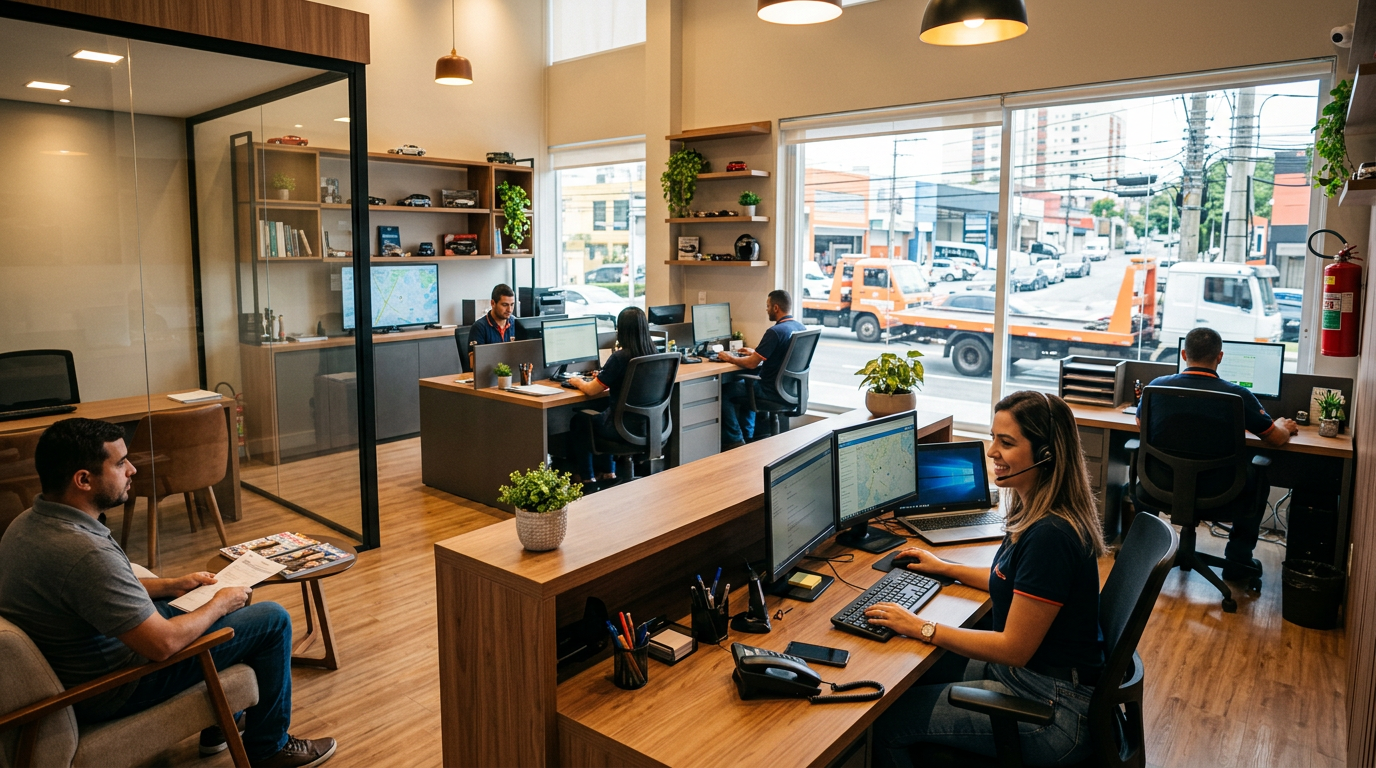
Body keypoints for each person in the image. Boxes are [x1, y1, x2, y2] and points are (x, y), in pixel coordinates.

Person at [0, 419, 336, 768]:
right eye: (119, 463)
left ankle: (223, 723)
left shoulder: (28, 524)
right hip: (114, 685)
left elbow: (95, 591)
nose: (132, 469)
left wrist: (171, 585)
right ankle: (269, 749)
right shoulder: (82, 552)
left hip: (93, 653)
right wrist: (220, 605)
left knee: (214, 599)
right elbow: (161, 645)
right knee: (272, 620)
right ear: (83, 480)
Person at [866, 391, 1106, 767]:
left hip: (1051, 710)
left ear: (1046, 455)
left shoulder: (1050, 536)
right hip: (1037, 681)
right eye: (993, 437)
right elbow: (1011, 582)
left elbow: (1013, 648)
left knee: (886, 721)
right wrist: (945, 567)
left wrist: (920, 626)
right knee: (913, 677)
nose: (992, 451)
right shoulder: (1037, 509)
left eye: (1006, 443)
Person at [1137, 326, 1298, 578]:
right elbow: (1275, 439)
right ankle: (1238, 561)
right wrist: (1284, 426)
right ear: (1220, 357)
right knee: (1258, 477)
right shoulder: (1238, 395)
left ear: (1183, 355)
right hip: (1220, 491)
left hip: (1161, 485)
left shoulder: (1157, 388)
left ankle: (1142, 552)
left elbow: (1141, 424)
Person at [566, 306, 658, 487]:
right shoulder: (654, 353)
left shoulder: (620, 357)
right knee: (604, 411)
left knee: (580, 420)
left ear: (621, 330)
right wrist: (604, 377)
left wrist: (577, 381)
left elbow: (591, 391)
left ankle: (588, 478)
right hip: (648, 425)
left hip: (621, 427)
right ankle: (609, 473)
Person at [714, 289, 807, 450]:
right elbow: (780, 354)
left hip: (770, 391)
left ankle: (734, 440)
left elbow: (751, 364)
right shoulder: (800, 328)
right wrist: (755, 352)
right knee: (745, 386)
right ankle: (748, 436)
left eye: (768, 306)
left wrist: (729, 358)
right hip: (791, 390)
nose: (767, 310)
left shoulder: (775, 332)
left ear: (776, 308)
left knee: (723, 392)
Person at [467, 283, 516, 370]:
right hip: (489, 377)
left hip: (512, 374)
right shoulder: (479, 327)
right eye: (505, 305)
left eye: (512, 304)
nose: (509, 310)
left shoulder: (516, 323)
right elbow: (474, 363)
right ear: (493, 303)